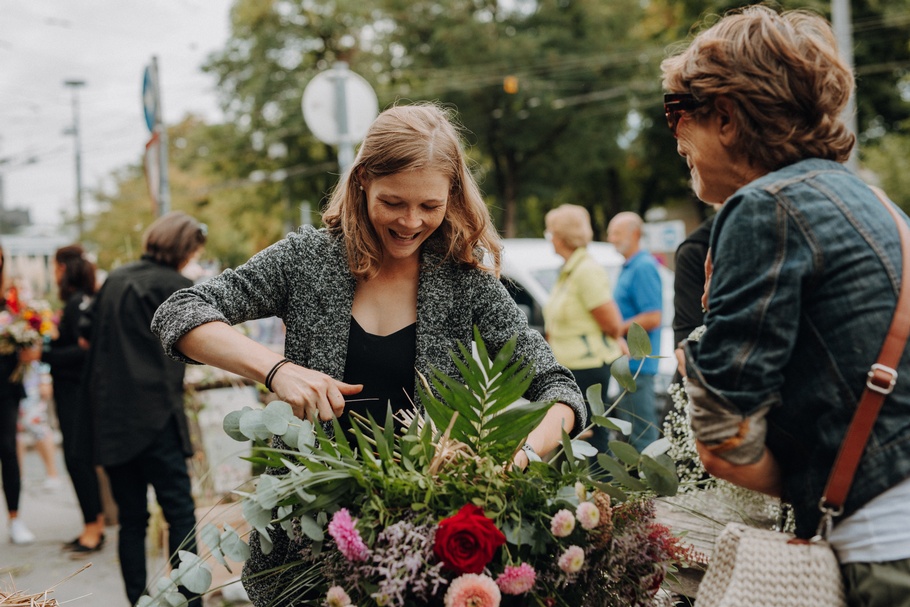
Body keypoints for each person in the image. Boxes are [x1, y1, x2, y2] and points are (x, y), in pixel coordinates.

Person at [150, 102, 585, 607]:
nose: (411, 221)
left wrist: (525, 456)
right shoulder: (306, 260)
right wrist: (278, 370)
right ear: (361, 183)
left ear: (453, 195)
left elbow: (560, 388)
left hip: (421, 552)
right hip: (307, 552)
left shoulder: (468, 284)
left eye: (430, 205)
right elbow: (179, 311)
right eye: (393, 202)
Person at [663, 5, 910, 604]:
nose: (674, 141)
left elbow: (722, 438)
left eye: (676, 114)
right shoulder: (876, 205)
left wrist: (812, 486)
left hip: (880, 548)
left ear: (724, 116)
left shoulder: (763, 208)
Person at [83, 212, 206, 606]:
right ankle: (188, 600)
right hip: (158, 417)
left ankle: (137, 599)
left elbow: (89, 335)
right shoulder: (176, 286)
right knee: (180, 514)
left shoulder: (116, 279)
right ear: (184, 248)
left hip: (113, 420)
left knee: (131, 521)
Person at [41, 244, 106, 556]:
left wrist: (40, 353)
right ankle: (92, 523)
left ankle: (94, 528)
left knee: (78, 459)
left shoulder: (78, 303)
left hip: (76, 393)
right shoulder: (79, 301)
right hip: (73, 391)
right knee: (78, 458)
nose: (53, 273)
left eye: (55, 267)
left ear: (64, 268)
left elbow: (83, 351)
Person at [542, 204, 623, 453]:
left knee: (591, 435)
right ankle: (583, 490)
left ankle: (602, 488)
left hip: (588, 367)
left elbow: (613, 324)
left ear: (561, 236)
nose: (548, 238)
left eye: (550, 232)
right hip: (570, 366)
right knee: (576, 436)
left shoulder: (586, 270)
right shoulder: (569, 270)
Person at [606, 211, 662, 451]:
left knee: (642, 434)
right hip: (626, 365)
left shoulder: (643, 267)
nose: (611, 239)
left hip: (640, 365)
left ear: (635, 234)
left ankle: (653, 486)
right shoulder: (628, 267)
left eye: (616, 233)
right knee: (629, 436)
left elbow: (653, 316)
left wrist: (615, 328)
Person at [0, 245, 40, 545]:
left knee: (8, 451)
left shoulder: (10, 303)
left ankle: (15, 519)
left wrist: (28, 350)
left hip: (5, 387)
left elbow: (31, 343)